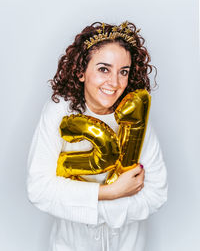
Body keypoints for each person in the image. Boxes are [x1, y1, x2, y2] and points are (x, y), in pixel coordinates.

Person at [27, 21, 168, 251]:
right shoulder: (59, 112)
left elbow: (156, 194)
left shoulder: (134, 115)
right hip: (70, 245)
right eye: (104, 69)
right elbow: (39, 189)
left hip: (128, 245)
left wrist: (82, 203)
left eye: (123, 72)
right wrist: (112, 193)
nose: (114, 83)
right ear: (81, 72)